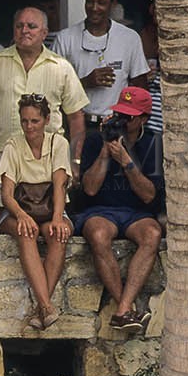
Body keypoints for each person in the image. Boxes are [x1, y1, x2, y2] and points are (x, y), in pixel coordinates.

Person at [74, 87, 164, 334]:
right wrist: (105, 152)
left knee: (152, 235)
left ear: (144, 118)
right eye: (119, 115)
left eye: (129, 117)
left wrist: (126, 161)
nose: (122, 121)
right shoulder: (96, 139)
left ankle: (123, 308)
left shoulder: (153, 143)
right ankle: (127, 309)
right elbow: (90, 190)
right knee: (98, 234)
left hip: (136, 212)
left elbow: (148, 195)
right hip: (101, 210)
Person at [0, 93, 73, 331]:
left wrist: (58, 219)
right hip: (19, 208)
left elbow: (59, 185)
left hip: (51, 208)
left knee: (58, 234)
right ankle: (47, 307)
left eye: (34, 121)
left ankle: (42, 307)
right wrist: (21, 215)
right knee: (26, 232)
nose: (29, 126)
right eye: (25, 121)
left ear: (47, 120)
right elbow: (7, 194)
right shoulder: (13, 144)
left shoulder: (58, 143)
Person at [0, 6, 89, 155]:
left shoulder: (61, 67)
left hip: (48, 159)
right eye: (19, 26)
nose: (24, 30)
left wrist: (75, 159)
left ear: (44, 33)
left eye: (31, 26)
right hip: (2, 156)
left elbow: (76, 118)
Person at [53, 0, 151, 122]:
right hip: (78, 123)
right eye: (89, 1)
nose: (94, 8)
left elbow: (140, 85)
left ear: (113, 3)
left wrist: (136, 123)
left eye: (101, 3)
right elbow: (52, 87)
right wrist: (86, 82)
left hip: (115, 123)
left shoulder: (129, 38)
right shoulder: (65, 38)